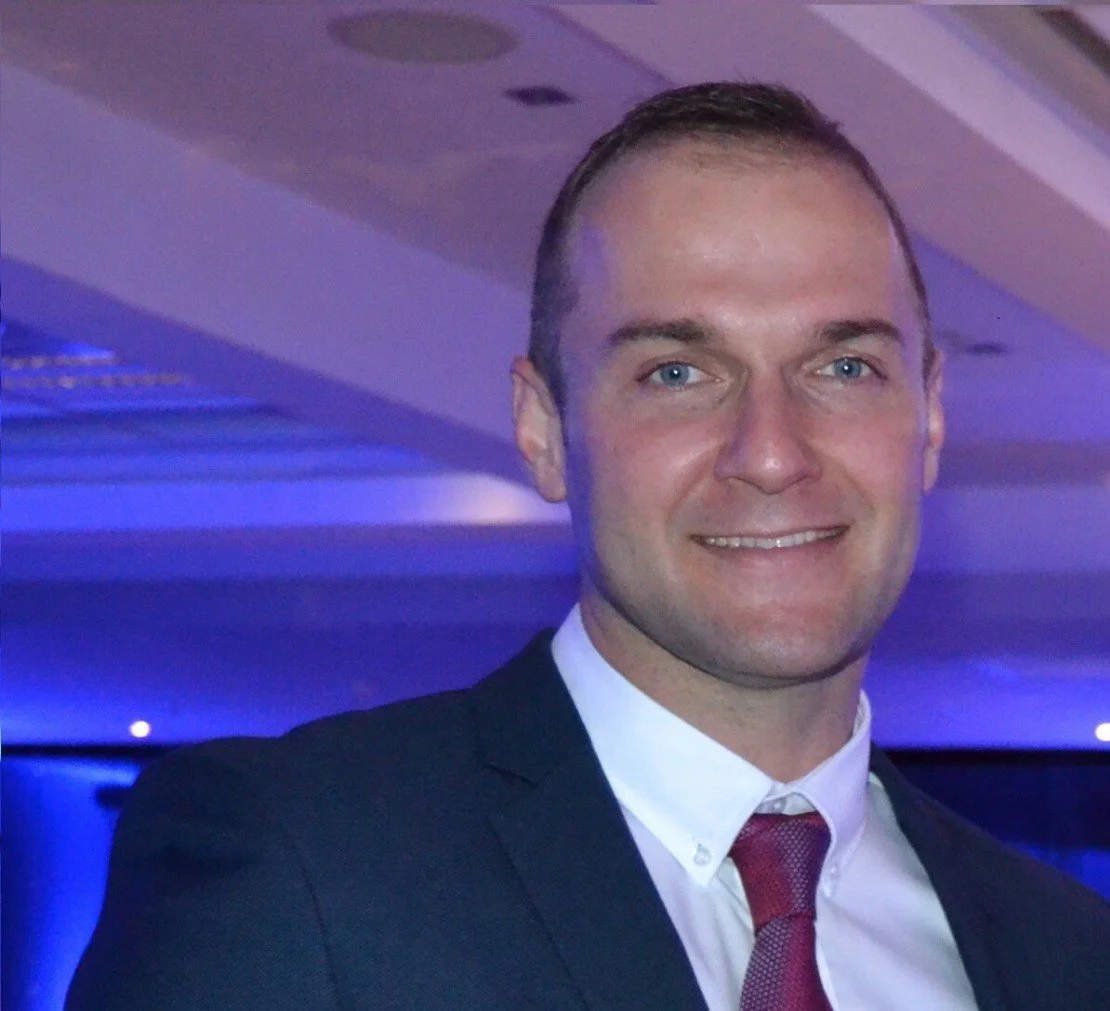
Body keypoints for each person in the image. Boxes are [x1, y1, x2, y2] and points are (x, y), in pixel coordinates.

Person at [68, 82, 1110, 1011]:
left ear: (929, 414)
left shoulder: (1064, 952)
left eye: (843, 368)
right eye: (676, 373)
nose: (770, 453)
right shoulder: (304, 864)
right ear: (542, 430)